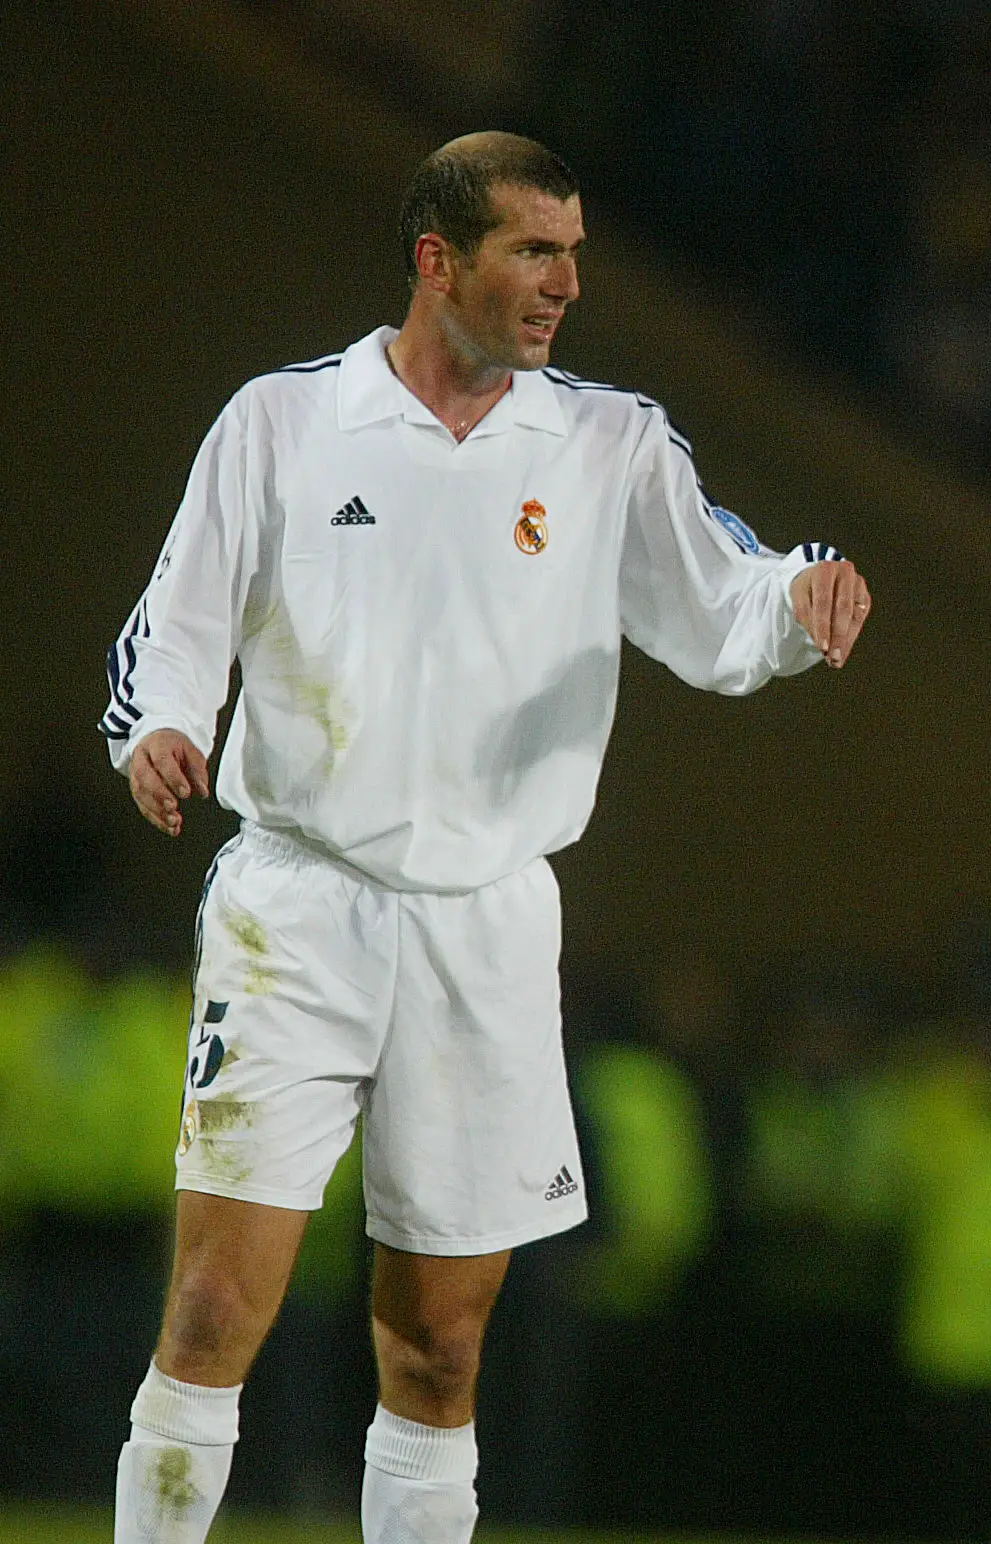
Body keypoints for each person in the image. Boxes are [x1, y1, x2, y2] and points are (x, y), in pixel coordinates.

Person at [100, 132, 873, 1544]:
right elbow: (176, 620)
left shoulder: (607, 442)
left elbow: (727, 599)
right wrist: (157, 725)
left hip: (489, 920)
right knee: (211, 1308)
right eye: (533, 251)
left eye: (574, 253)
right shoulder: (283, 422)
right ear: (437, 261)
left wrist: (800, 594)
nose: (566, 283)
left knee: (440, 1348)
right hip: (298, 906)